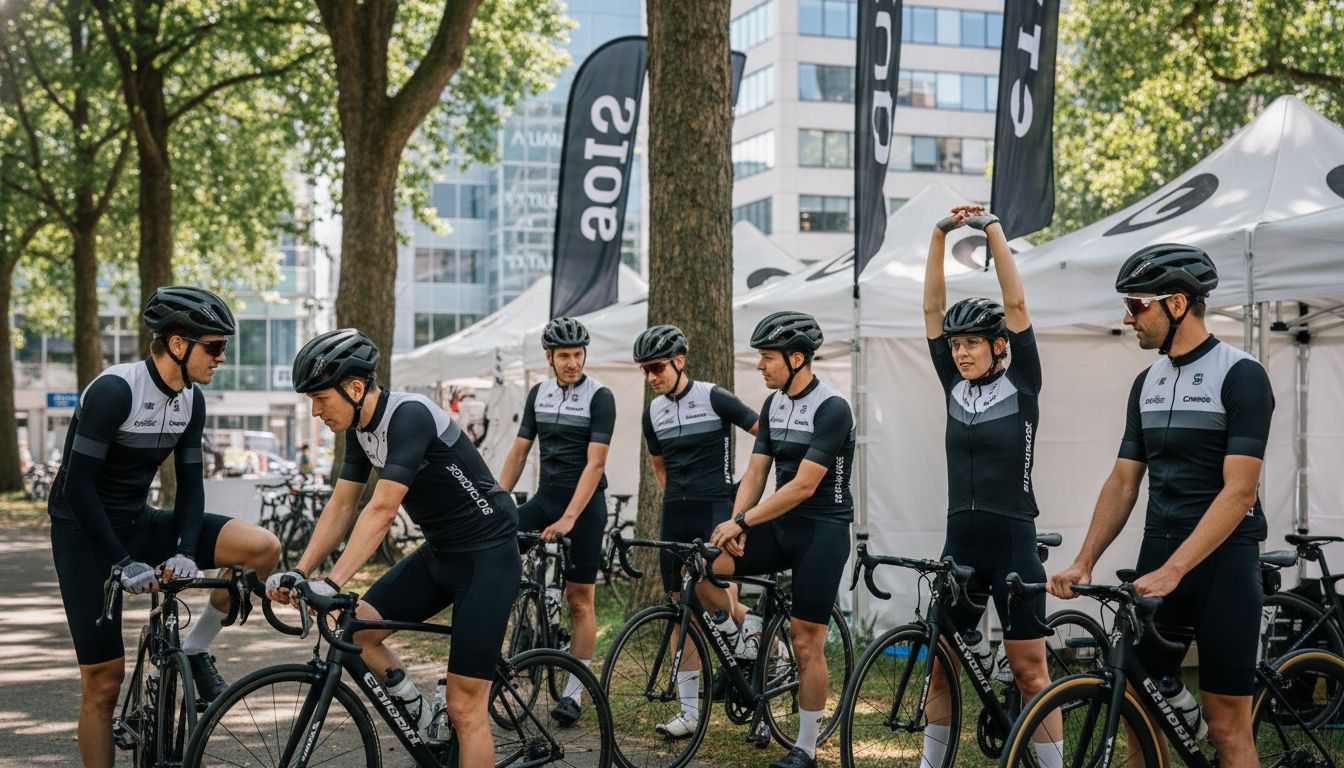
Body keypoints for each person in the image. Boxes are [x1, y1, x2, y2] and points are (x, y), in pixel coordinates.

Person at [1049, 244, 1271, 767]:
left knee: (1225, 727)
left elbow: (1239, 492)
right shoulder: (1146, 382)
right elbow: (1124, 482)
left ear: (1176, 303)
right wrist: (1085, 560)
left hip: (1222, 563)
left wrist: (1177, 568)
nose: (1128, 318)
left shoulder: (1240, 374)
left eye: (1136, 305)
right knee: (1139, 710)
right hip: (1160, 557)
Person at [48, 286, 282, 768]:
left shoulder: (190, 401)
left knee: (261, 548)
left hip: (139, 520)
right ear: (179, 344)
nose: (222, 357)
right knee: (104, 685)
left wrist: (184, 549)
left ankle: (196, 649)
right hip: (84, 535)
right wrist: (122, 561)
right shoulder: (116, 390)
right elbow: (76, 489)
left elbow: (190, 488)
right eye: (215, 346)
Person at [267, 328, 519, 768]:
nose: (315, 411)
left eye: (321, 398)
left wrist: (333, 581)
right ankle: (421, 712)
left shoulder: (410, 416)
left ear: (355, 387)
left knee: (465, 708)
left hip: (487, 556)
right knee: (358, 634)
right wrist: (302, 570)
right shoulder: (361, 429)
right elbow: (343, 503)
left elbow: (382, 510)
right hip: (440, 553)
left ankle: (449, 715)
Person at [920, 206, 1062, 767]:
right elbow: (932, 307)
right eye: (955, 345)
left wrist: (991, 229)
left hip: (1012, 542)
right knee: (942, 665)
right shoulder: (953, 386)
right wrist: (938, 235)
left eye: (972, 343)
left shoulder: (1024, 383)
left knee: (1030, 670)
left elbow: (1018, 305)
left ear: (998, 345)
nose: (960, 351)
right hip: (960, 542)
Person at [702, 311, 853, 768]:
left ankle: (805, 745)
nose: (760, 366)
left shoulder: (833, 407)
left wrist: (745, 522)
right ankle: (746, 640)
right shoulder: (773, 405)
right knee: (704, 569)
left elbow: (804, 486)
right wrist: (732, 527)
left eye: (767, 358)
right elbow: (756, 472)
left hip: (822, 531)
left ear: (796, 358)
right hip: (778, 525)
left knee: (807, 642)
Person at [634, 324, 760, 738]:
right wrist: (675, 496)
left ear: (679, 361)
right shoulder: (652, 412)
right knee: (678, 609)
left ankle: (750, 628)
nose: (652, 376)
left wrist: (742, 505)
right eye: (645, 370)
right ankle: (689, 712)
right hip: (676, 512)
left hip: (714, 508)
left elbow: (765, 437)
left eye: (657, 368)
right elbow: (659, 466)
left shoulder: (713, 396)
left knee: (703, 582)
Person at [497, 316, 614, 725]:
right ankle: (525, 624)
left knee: (580, 599)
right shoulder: (539, 394)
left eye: (578, 355)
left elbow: (595, 465)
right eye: (564, 355)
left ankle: (574, 693)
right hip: (546, 499)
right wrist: (496, 499)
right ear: (549, 357)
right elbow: (519, 451)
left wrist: (569, 517)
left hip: (584, 506)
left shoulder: (601, 397)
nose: (572, 363)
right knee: (495, 548)